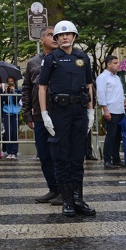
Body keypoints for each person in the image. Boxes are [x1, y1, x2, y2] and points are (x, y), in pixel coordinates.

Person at [37, 20, 97, 219]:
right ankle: (67, 200)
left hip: (79, 110)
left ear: (74, 36)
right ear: (56, 38)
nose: (65, 37)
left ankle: (78, 199)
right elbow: (42, 87)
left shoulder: (83, 58)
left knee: (77, 157)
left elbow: (89, 85)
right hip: (60, 112)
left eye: (69, 34)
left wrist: (91, 111)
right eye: (61, 35)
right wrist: (45, 114)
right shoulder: (51, 58)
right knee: (61, 156)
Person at [22, 26, 61, 203]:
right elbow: (27, 88)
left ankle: (64, 190)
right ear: (41, 40)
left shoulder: (65, 59)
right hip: (39, 115)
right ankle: (53, 188)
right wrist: (27, 113)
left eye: (56, 35)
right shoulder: (33, 63)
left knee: (60, 154)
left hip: (60, 114)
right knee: (44, 155)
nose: (54, 38)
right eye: (50, 35)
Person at [96, 55, 126, 169]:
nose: (117, 65)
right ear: (108, 64)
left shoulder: (117, 77)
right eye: (115, 63)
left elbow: (120, 92)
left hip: (120, 110)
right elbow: (101, 94)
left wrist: (125, 100)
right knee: (111, 136)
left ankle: (116, 159)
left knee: (118, 136)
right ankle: (107, 160)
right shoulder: (102, 77)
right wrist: (105, 110)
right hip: (111, 110)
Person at [1, 77, 22, 159]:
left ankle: (14, 152)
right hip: (7, 113)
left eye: (11, 82)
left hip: (16, 113)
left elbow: (17, 101)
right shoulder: (5, 91)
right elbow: (6, 101)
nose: (10, 83)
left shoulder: (18, 91)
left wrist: (14, 92)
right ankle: (9, 151)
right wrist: (6, 92)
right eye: (8, 82)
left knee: (15, 133)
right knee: (8, 132)